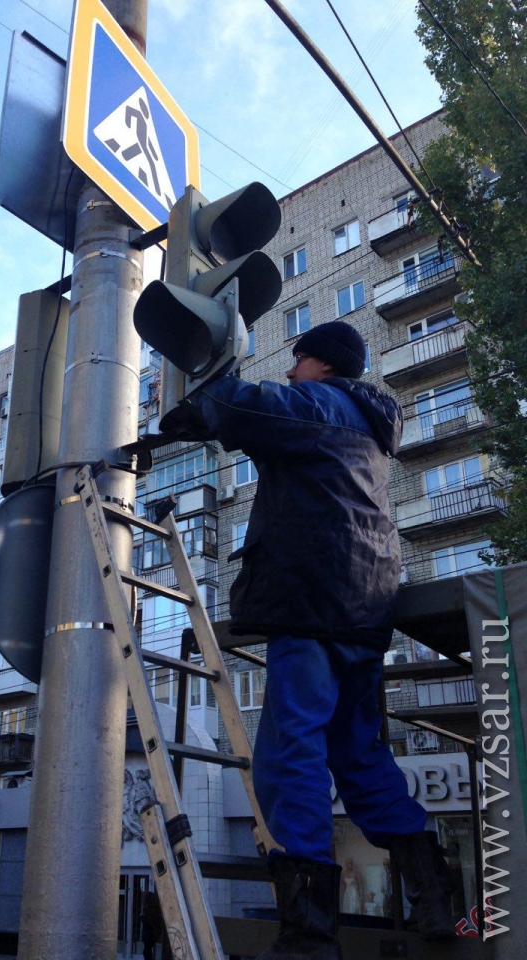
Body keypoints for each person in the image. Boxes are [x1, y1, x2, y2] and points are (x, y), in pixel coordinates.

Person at [166, 321, 456, 959]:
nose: (291, 371)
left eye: (297, 361)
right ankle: (436, 894)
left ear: (320, 364)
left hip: (312, 604)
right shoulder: (370, 430)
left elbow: (242, 404)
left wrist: (200, 384)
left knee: (289, 753)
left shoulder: (319, 403)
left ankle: (308, 932)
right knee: (358, 754)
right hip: (365, 607)